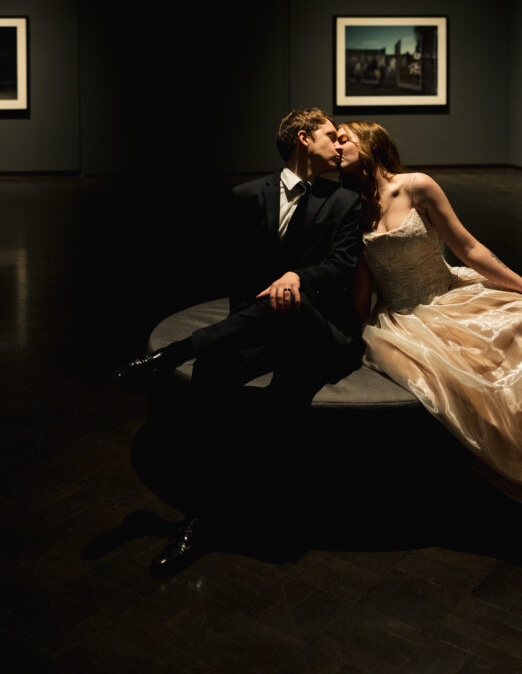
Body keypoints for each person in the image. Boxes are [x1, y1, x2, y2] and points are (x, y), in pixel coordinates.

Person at [115, 108, 364, 572]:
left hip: (320, 332)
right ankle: (201, 517)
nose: (340, 142)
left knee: (283, 319)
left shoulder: (346, 201)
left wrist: (296, 275)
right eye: (332, 135)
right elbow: (234, 271)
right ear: (304, 139)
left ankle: (170, 355)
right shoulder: (247, 196)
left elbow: (341, 269)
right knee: (215, 372)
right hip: (262, 325)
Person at [337, 121, 522, 515]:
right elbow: (362, 282)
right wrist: (353, 337)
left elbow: (468, 246)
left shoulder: (416, 185)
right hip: (401, 318)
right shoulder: (350, 205)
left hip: (448, 295)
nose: (337, 146)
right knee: (452, 377)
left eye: (343, 138)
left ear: (369, 142)